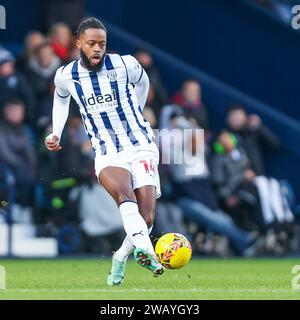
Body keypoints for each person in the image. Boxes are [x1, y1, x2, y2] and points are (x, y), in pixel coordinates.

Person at [44, 17, 164, 285]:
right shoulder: (67, 75)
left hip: (140, 145)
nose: (97, 49)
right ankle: (147, 251)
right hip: (107, 151)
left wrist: (138, 111)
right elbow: (61, 100)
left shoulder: (125, 64)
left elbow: (143, 83)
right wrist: (56, 132)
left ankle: (120, 257)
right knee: (124, 195)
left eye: (102, 43)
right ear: (79, 44)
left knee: (147, 218)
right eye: (91, 44)